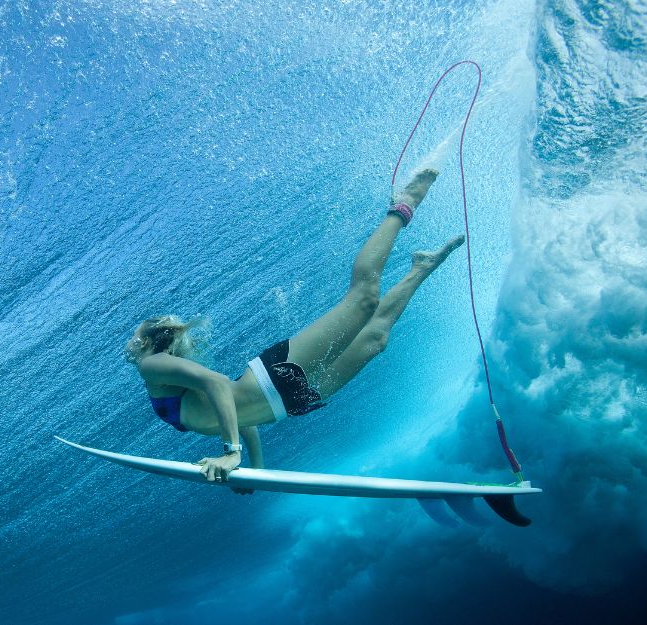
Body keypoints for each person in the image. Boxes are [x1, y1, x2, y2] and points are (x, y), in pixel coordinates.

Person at [124, 168, 465, 489]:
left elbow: (216, 383)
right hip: (293, 401)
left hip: (277, 377)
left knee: (363, 300)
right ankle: (421, 268)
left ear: (150, 343)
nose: (130, 341)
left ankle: (405, 203)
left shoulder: (150, 366)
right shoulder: (163, 375)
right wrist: (254, 470)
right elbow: (238, 414)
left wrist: (232, 452)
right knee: (376, 339)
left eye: (135, 335)